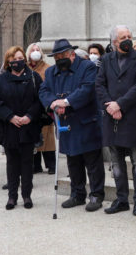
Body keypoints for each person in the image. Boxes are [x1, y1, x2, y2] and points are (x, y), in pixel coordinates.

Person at [39, 39, 106, 211]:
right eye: (57, 57)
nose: (59, 59)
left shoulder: (87, 67)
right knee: (73, 161)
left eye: (63, 55)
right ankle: (77, 194)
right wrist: (54, 103)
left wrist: (66, 102)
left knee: (92, 162)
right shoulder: (51, 71)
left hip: (86, 121)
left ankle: (96, 195)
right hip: (66, 122)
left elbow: (87, 89)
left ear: (72, 54)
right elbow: (44, 90)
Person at [96, 24, 136, 215]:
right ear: (114, 42)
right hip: (112, 118)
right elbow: (100, 85)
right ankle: (121, 200)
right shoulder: (106, 60)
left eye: (129, 36)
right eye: (123, 37)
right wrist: (110, 106)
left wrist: (119, 105)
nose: (127, 40)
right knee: (116, 162)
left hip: (133, 117)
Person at [0, 46, 43, 209]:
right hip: (9, 127)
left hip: (28, 126)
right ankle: (12, 196)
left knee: (27, 163)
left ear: (24, 60)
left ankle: (27, 195)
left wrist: (29, 116)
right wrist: (10, 116)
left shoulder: (34, 77)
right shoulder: (2, 79)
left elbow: (40, 100)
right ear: (8, 62)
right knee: (12, 163)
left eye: (20, 59)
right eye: (13, 59)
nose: (17, 62)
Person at [26, 43, 56, 175]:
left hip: (44, 107)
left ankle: (51, 165)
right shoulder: (25, 69)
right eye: (32, 50)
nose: (35, 52)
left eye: (37, 49)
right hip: (31, 107)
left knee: (48, 137)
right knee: (33, 136)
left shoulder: (47, 68)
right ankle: (36, 165)